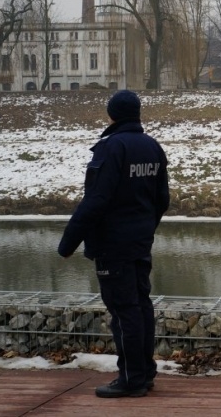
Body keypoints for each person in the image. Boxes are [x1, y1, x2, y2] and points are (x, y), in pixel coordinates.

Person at [58, 89, 170, 399]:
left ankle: (131, 379)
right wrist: (145, 227)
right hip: (139, 242)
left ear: (112, 115)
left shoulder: (111, 148)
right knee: (141, 306)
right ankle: (144, 373)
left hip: (113, 245)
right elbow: (163, 199)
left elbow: (96, 200)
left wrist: (68, 242)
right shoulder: (152, 147)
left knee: (124, 312)